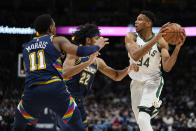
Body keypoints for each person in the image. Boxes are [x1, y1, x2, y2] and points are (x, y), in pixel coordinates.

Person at [12, 14, 109, 131]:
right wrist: (97, 46)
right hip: (54, 88)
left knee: (18, 123)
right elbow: (79, 50)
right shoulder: (57, 40)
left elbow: (27, 72)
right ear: (50, 28)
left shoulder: (26, 47)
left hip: (32, 90)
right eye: (54, 25)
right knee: (77, 122)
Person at [57, 24, 139, 131]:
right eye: (97, 38)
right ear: (88, 40)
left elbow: (116, 76)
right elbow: (65, 73)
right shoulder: (75, 53)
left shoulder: (98, 61)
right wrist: (88, 62)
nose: (100, 41)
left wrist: (129, 68)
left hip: (79, 101)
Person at [125, 11, 186, 131]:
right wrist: (156, 39)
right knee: (141, 121)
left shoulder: (161, 42)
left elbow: (167, 67)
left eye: (140, 19)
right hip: (136, 82)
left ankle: (152, 106)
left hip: (153, 81)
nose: (136, 22)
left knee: (143, 118)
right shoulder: (130, 36)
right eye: (136, 19)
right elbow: (135, 55)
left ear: (148, 23)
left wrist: (177, 48)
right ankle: (154, 108)